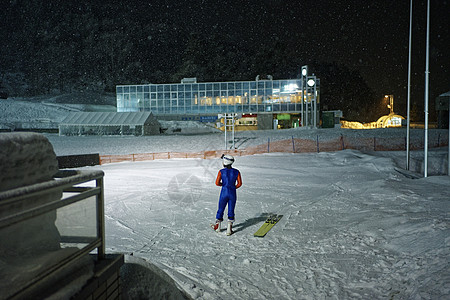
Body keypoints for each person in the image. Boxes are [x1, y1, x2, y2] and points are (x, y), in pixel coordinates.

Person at [212, 154, 242, 235]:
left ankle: (218, 227)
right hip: (232, 193)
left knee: (221, 209)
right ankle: (229, 229)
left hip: (224, 192)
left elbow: (217, 183)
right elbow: (239, 184)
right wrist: (232, 187)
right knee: (231, 210)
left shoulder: (221, 172)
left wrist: (224, 185)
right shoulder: (237, 172)